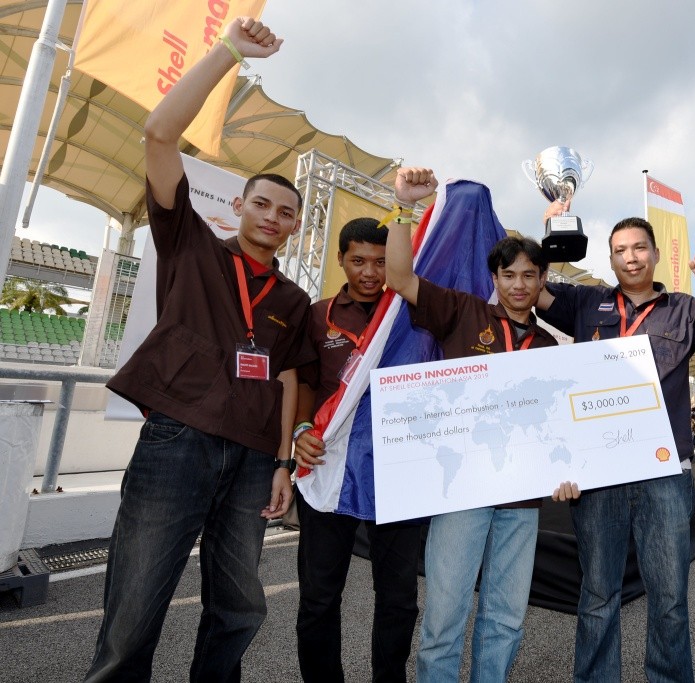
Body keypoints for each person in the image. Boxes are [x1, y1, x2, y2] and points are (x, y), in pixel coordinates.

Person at [85, 18, 315, 682]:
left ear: (295, 224)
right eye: (262, 203)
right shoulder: (189, 242)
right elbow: (158, 133)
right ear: (239, 206)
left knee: (240, 606)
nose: (272, 216)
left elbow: (289, 380)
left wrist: (279, 462)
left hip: (249, 461)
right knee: (133, 612)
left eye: (285, 211)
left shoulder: (293, 299)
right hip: (176, 441)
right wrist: (228, 54)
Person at [545, 167, 695, 682]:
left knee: (670, 598)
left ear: (655, 254)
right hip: (600, 474)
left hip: (664, 472)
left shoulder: (683, 309)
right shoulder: (586, 303)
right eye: (619, 250)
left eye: (638, 247)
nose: (630, 257)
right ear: (609, 259)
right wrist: (549, 229)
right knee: (597, 595)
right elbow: (531, 292)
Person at [384, 167, 579, 682]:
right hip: (461, 495)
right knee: (446, 618)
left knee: (507, 619)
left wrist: (567, 469)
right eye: (509, 275)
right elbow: (399, 278)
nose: (519, 285)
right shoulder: (462, 313)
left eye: (529, 276)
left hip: (522, 501)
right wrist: (404, 207)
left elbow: (558, 430)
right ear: (494, 279)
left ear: (541, 283)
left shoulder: (549, 348)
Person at [291, 219, 421, 681]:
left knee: (399, 596)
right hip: (330, 467)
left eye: (382, 262)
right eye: (358, 260)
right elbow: (305, 382)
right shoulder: (318, 313)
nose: (369, 272)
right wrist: (302, 428)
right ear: (341, 259)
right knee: (320, 596)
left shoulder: (410, 312)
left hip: (399, 471)